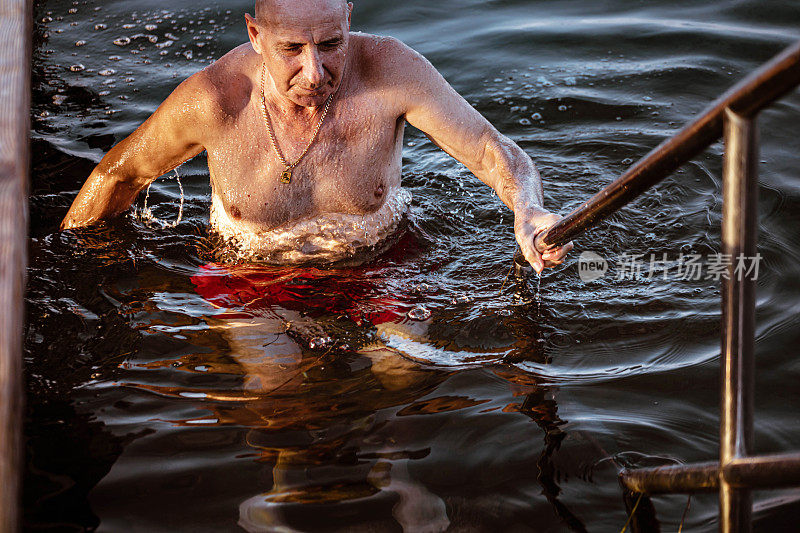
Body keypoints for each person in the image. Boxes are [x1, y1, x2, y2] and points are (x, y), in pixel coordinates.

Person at [60, 0, 572, 271]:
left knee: (403, 380)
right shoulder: (214, 100)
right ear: (255, 35)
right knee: (280, 391)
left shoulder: (392, 70)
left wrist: (526, 207)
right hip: (251, 277)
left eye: (330, 44)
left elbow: (492, 150)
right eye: (291, 50)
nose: (316, 72)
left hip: (380, 262)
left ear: (349, 17)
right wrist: (63, 269)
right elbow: (118, 173)